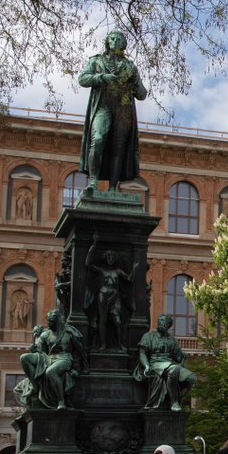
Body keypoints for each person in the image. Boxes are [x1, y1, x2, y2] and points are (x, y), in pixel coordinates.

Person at [78, 29, 146, 193]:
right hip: (103, 108)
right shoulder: (97, 61)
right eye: (112, 38)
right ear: (107, 42)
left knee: (118, 148)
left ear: (123, 44)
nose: (115, 41)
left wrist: (134, 82)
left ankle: (112, 188)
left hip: (123, 112)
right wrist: (102, 78)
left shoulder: (130, 67)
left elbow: (142, 94)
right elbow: (82, 79)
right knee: (98, 139)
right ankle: (93, 181)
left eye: (119, 39)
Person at [19, 309, 84, 409]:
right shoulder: (45, 334)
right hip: (48, 358)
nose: (49, 324)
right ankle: (35, 387)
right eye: (49, 321)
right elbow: (41, 350)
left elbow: (78, 351)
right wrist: (34, 349)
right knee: (24, 358)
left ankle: (61, 401)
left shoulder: (69, 333)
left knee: (50, 372)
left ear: (56, 321)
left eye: (51, 321)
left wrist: (76, 368)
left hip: (64, 358)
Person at [84, 233, 138, 350]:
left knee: (117, 320)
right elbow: (88, 263)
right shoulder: (101, 270)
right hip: (103, 295)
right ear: (105, 258)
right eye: (108, 257)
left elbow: (129, 279)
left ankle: (120, 344)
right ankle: (103, 344)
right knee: (102, 320)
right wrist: (94, 244)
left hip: (115, 295)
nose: (110, 259)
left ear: (115, 259)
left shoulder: (118, 271)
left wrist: (134, 268)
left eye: (112, 257)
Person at [136, 314, 198, 410]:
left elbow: (178, 357)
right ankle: (174, 402)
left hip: (169, 364)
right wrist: (147, 366)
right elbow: (142, 354)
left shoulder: (172, 340)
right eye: (159, 320)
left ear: (168, 325)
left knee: (192, 378)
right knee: (174, 369)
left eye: (162, 321)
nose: (159, 322)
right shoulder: (148, 336)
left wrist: (183, 356)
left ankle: (173, 397)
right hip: (155, 363)